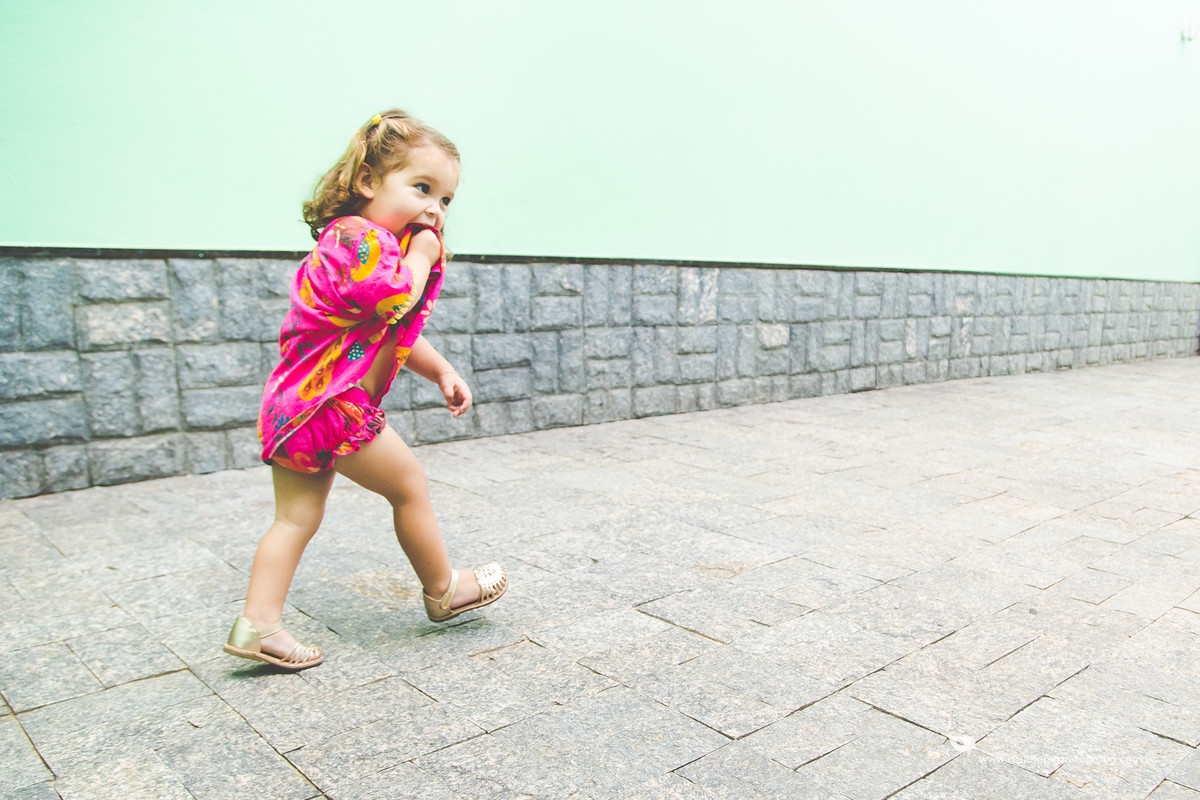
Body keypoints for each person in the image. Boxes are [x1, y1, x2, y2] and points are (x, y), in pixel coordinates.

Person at [224, 110, 507, 671]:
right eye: (422, 188)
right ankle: (443, 588)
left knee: (295, 518)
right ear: (368, 182)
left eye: (446, 200)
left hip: (294, 409)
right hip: (332, 406)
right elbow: (396, 299)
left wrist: (442, 370)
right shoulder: (364, 241)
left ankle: (257, 625)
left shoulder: (358, 245)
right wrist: (424, 254)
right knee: (409, 488)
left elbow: (390, 329)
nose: (435, 209)